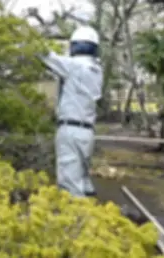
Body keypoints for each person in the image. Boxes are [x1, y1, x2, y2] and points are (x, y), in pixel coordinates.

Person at [40, 26, 104, 198]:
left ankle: (77, 222)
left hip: (70, 129)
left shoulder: (74, 66)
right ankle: (90, 217)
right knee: (82, 182)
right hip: (87, 132)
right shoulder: (96, 70)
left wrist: (28, 38)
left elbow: (45, 55)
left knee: (70, 186)